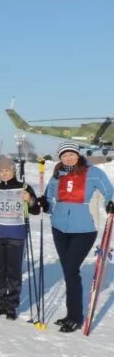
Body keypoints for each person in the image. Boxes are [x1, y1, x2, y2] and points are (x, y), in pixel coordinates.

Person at [39, 143, 114, 333]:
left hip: (84, 230)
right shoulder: (57, 175)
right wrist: (38, 203)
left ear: (77, 155)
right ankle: (70, 314)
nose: (68, 158)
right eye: (64, 156)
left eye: (71, 154)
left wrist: (111, 203)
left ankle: (75, 317)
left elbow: (109, 192)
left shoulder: (94, 172)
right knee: (68, 272)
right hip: (59, 229)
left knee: (71, 271)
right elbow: (48, 201)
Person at [0, 157, 40, 321]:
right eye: (1, 171)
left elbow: (35, 210)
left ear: (14, 170)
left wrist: (30, 200)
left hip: (16, 236)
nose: (4, 173)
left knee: (13, 272)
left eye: (7, 170)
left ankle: (11, 305)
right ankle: (0, 303)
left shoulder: (24, 187)